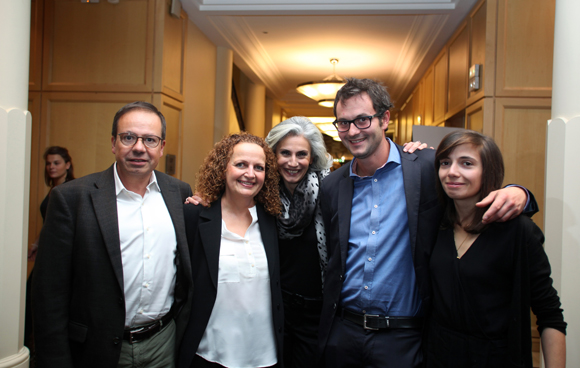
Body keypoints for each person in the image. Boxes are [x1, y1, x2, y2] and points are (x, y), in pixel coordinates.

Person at [317, 78, 535, 367]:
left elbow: (475, 188)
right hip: (343, 333)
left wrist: (520, 193)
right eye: (343, 123)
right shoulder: (333, 185)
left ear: (384, 119)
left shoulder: (427, 168)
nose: (352, 131)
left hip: (404, 337)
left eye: (362, 119)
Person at [33, 101, 193, 368]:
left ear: (161, 147)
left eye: (150, 140)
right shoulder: (71, 198)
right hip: (97, 348)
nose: (139, 147)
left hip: (163, 343)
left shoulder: (179, 193)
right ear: (113, 143)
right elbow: (49, 292)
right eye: (128, 137)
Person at [428, 130, 566, 367]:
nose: (452, 172)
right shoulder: (435, 223)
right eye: (445, 163)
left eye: (467, 163)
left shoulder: (518, 231)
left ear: (488, 171)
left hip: (496, 358)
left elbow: (549, 313)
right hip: (438, 355)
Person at [178, 132, 284, 368]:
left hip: (266, 357)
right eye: (241, 164)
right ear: (223, 168)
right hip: (210, 354)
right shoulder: (195, 217)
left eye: (259, 167)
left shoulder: (271, 221)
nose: (250, 173)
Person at [265, 117, 333, 368]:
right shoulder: (262, 193)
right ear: (272, 155)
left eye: (301, 154)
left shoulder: (332, 192)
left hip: (318, 312)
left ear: (313, 158)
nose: (293, 163)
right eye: (285, 153)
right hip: (275, 309)